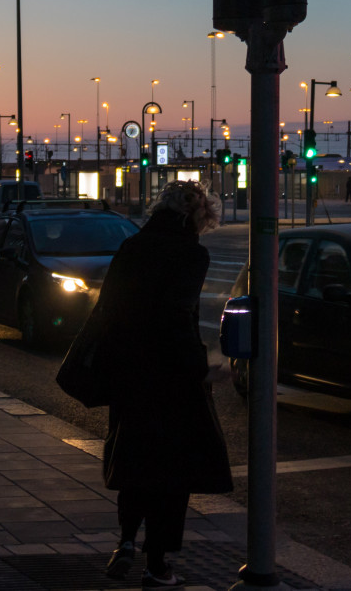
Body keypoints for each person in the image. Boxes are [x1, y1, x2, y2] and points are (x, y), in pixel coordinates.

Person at [93, 181, 231, 587]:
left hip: (128, 373)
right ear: (196, 217)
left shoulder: (132, 246)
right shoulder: (190, 254)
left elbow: (109, 307)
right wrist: (200, 369)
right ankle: (157, 565)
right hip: (170, 379)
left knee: (134, 459)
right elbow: (177, 317)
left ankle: (125, 541)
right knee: (171, 474)